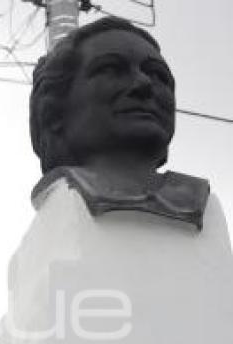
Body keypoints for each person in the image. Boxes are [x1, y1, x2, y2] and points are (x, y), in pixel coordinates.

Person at [28, 16, 208, 228]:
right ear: (55, 109)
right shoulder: (64, 203)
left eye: (158, 75)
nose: (144, 83)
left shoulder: (200, 201)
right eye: (110, 69)